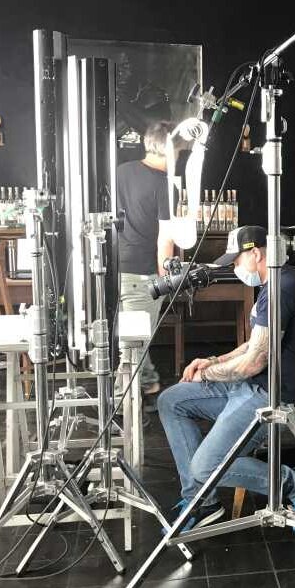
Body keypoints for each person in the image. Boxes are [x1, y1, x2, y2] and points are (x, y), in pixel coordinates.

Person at [158, 225, 295, 534]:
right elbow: (253, 345)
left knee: (206, 466)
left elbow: (253, 362)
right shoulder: (272, 285)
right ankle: (201, 502)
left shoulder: (282, 289)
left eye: (236, 261)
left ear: (256, 253)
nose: (235, 268)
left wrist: (207, 374)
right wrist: (213, 361)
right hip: (253, 386)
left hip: (275, 396)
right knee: (171, 401)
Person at [115, 120, 180, 409]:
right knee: (133, 347)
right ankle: (122, 406)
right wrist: (166, 281)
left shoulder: (121, 171)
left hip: (114, 268)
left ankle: (150, 382)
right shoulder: (165, 185)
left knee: (134, 336)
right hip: (143, 273)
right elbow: (165, 239)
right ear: (171, 149)